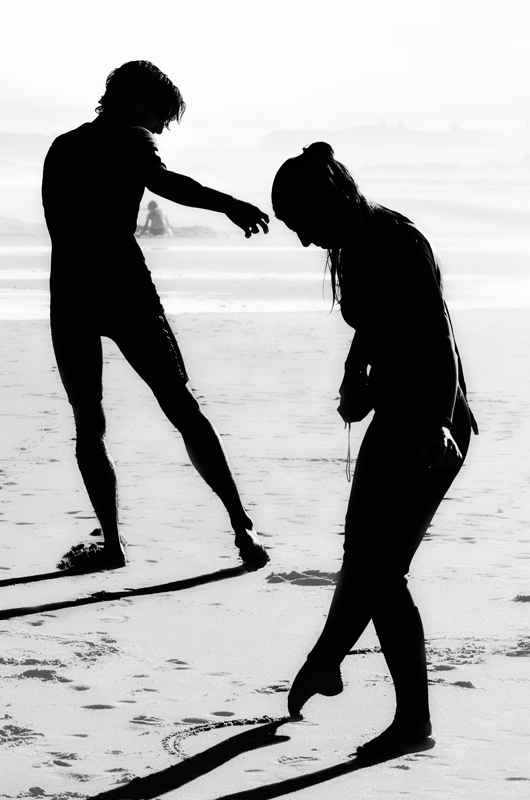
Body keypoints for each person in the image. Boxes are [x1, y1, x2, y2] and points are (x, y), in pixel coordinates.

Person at [271, 142, 477, 761]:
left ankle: (410, 719)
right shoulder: (351, 246)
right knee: (362, 556)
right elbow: (372, 325)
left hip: (431, 424)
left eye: (303, 222)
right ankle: (326, 663)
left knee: (383, 571)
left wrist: (437, 421)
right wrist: (354, 374)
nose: (304, 239)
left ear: (333, 200)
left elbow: (438, 335)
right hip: (395, 417)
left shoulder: (396, 241)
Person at [41, 60, 270, 572]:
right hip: (124, 291)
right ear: (137, 101)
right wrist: (229, 205)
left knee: (88, 423)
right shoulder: (131, 138)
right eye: (162, 115)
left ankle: (113, 546)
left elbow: (62, 224)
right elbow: (164, 182)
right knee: (181, 407)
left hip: (70, 293)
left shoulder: (62, 147)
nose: (162, 128)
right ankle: (242, 528)